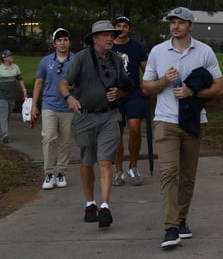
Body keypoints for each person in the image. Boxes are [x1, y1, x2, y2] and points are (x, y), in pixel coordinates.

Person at [142, 7, 223, 249]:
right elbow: (146, 87)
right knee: (169, 173)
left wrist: (192, 91)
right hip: (165, 120)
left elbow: (219, 88)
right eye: (172, 22)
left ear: (191, 26)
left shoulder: (205, 52)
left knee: (187, 176)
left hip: (193, 120)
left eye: (181, 22)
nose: (175, 26)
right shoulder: (158, 51)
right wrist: (163, 81)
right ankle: (171, 227)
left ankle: (181, 219)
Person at [58, 20, 132, 229]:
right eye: (106, 35)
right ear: (94, 39)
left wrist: (120, 92)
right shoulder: (81, 58)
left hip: (110, 116)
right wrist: (69, 99)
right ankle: (90, 203)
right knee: (87, 161)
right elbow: (63, 83)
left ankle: (105, 206)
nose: (111, 38)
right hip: (85, 117)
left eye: (112, 35)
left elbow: (126, 85)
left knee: (104, 161)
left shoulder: (116, 59)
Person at [31, 28, 75, 190]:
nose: (63, 43)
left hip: (68, 106)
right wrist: (34, 105)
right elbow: (39, 82)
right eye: (59, 40)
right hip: (49, 104)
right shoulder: (46, 61)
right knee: (49, 137)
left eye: (65, 39)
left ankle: (61, 171)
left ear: (69, 42)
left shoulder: (76, 60)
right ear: (54, 43)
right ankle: (49, 172)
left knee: (66, 140)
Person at [111, 15, 148, 186]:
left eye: (124, 26)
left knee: (134, 129)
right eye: (118, 25)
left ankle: (133, 167)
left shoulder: (136, 47)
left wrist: (148, 87)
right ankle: (118, 171)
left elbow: (146, 70)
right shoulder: (109, 46)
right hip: (114, 95)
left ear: (129, 29)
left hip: (133, 93)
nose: (121, 28)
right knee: (116, 134)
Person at [0, 49, 28, 143]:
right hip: (1, 96)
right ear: (4, 58)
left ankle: (4, 132)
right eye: (9, 56)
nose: (11, 57)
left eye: (11, 55)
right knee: (4, 113)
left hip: (11, 95)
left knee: (8, 115)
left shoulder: (15, 67)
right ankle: (5, 134)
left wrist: (24, 91)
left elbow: (20, 79)